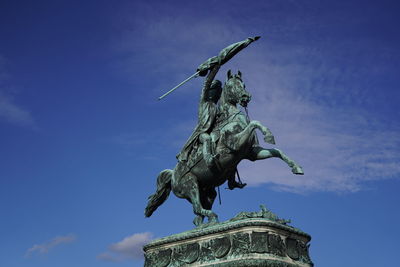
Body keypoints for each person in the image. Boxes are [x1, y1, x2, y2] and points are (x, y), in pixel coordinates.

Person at [177, 64, 222, 168]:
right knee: (207, 139)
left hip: (213, 131)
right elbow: (206, 83)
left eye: (218, 92)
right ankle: (209, 160)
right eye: (215, 91)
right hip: (201, 133)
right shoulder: (204, 102)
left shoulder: (217, 108)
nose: (216, 94)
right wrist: (215, 69)